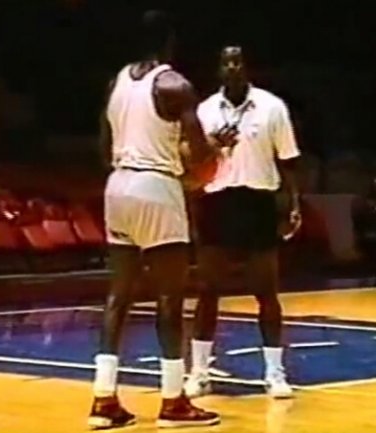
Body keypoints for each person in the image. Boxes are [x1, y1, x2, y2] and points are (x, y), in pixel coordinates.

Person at [88, 11, 235, 429]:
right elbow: (199, 154)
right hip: (156, 185)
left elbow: (104, 146)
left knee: (117, 297)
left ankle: (103, 400)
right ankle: (174, 401)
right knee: (170, 299)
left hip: (117, 185)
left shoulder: (116, 82)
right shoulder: (175, 84)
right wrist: (216, 148)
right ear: (170, 43)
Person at [184, 45, 301, 399]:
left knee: (266, 291)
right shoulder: (204, 111)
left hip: (258, 202)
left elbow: (288, 161)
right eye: (226, 62)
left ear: (248, 67)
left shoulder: (272, 107)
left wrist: (293, 204)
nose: (232, 67)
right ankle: (199, 372)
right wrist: (212, 145)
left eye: (238, 61)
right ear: (219, 69)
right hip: (217, 201)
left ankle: (275, 373)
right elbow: (191, 163)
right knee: (208, 290)